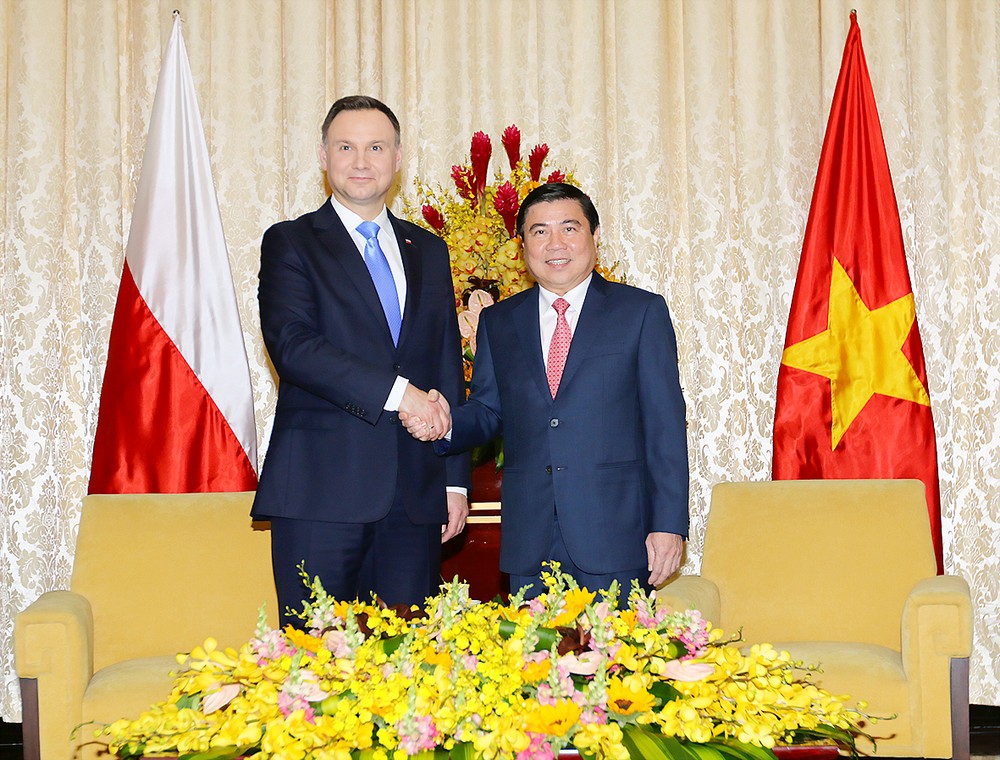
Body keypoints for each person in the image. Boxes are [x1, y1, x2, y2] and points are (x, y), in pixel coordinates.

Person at [402, 183, 688, 601]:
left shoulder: (640, 313)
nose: (555, 243)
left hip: (615, 536)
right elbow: (487, 410)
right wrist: (441, 423)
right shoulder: (499, 322)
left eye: (569, 228)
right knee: (534, 664)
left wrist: (668, 524)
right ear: (523, 245)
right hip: (529, 541)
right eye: (539, 231)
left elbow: (664, 426)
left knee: (616, 664)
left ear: (594, 237)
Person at [253, 95, 469, 624]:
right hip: (321, 493)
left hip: (416, 499)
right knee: (315, 671)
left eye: (376, 147)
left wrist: (455, 480)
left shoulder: (429, 248)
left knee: (411, 669)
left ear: (398, 158)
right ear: (323, 157)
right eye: (345, 146)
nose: (361, 160)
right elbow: (295, 347)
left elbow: (445, 364)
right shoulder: (291, 242)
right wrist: (402, 394)